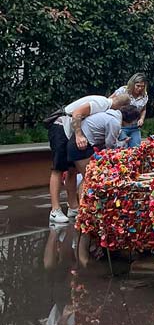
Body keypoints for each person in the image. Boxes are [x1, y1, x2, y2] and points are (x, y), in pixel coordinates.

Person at [47, 91, 131, 225]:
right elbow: (77, 113)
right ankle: (55, 209)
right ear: (120, 107)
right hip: (61, 127)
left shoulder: (105, 108)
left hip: (69, 132)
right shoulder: (102, 103)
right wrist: (79, 135)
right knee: (58, 169)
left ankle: (73, 207)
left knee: (72, 170)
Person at [66, 104, 141, 178]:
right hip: (82, 145)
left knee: (72, 175)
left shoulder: (109, 114)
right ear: (130, 120)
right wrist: (123, 143)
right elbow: (110, 146)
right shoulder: (114, 122)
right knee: (88, 178)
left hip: (75, 141)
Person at [111, 73, 148, 147]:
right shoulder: (122, 91)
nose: (140, 88)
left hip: (135, 127)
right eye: (138, 86)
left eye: (142, 86)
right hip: (121, 127)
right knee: (122, 148)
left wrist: (141, 119)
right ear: (132, 84)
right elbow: (110, 102)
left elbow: (144, 109)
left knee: (136, 148)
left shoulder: (144, 95)